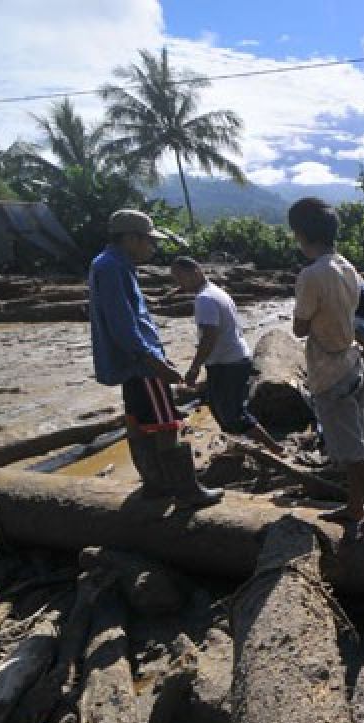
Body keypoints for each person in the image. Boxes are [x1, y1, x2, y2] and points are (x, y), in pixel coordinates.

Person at [88, 210, 223, 508]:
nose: (152, 248)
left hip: (131, 362)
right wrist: (153, 360)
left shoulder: (111, 264)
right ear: (131, 238)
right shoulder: (113, 268)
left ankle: (155, 486)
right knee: (167, 422)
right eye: (148, 241)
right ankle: (185, 492)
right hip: (141, 362)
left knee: (138, 421)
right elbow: (123, 324)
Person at [289, 197, 364, 535]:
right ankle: (356, 506)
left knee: (354, 451)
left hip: (329, 370)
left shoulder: (312, 275)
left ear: (301, 234)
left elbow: (299, 328)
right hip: (352, 362)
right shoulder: (347, 266)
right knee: (354, 444)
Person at [169, 257, 282, 455]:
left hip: (229, 364)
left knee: (233, 414)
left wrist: (194, 367)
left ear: (195, 272)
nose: (179, 283)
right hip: (231, 360)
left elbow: (209, 337)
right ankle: (237, 450)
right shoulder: (215, 292)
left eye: (180, 277)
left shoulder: (205, 299)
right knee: (219, 408)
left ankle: (274, 449)